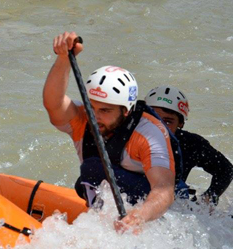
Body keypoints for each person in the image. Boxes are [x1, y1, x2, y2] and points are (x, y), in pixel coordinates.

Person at [43, 32, 179, 232]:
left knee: (93, 168)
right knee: (87, 176)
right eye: (92, 107)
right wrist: (63, 58)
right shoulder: (83, 118)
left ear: (126, 111)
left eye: (105, 110)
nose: (95, 116)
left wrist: (140, 215)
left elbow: (164, 189)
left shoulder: (149, 134)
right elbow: (53, 104)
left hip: (152, 211)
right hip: (113, 203)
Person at [145, 86, 233, 206]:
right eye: (153, 118)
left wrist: (207, 200)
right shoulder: (126, 136)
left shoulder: (190, 144)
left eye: (168, 121)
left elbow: (225, 170)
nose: (158, 125)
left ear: (180, 123)